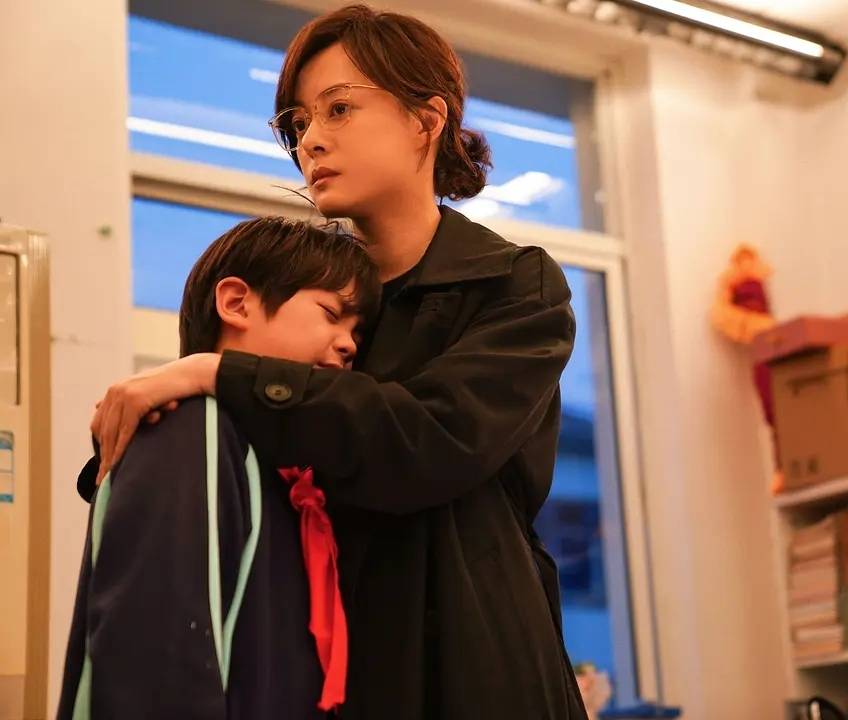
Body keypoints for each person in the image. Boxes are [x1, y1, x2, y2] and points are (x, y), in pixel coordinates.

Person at [86, 4, 588, 719]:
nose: (310, 140)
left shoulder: (513, 285)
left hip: (472, 661)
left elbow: (426, 441)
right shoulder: (302, 296)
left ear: (426, 120)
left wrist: (213, 373)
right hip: (313, 659)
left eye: (339, 109)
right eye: (297, 123)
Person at [60, 217, 380, 720]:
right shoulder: (192, 426)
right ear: (235, 303)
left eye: (356, 331)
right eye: (330, 314)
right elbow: (158, 660)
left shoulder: (277, 462)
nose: (349, 345)